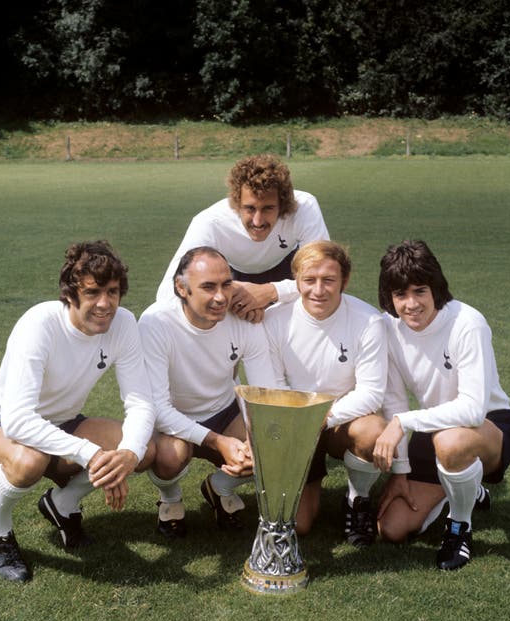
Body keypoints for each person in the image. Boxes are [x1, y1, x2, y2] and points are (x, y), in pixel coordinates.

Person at [0, 240, 156, 583]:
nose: (105, 303)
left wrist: (127, 454)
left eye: (113, 292)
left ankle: (63, 504)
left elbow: (141, 402)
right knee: (29, 461)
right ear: (70, 294)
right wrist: (91, 454)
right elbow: (18, 420)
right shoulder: (39, 323)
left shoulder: (124, 324)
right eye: (94, 292)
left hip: (64, 425)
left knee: (145, 449)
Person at [374, 239, 510, 570]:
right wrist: (400, 470)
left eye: (419, 291)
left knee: (451, 441)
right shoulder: (389, 329)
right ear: (390, 297)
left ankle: (460, 525)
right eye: (401, 295)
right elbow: (395, 399)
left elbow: (471, 410)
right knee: (391, 528)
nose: (411, 304)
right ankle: (466, 489)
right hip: (435, 427)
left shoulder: (467, 322)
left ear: (435, 288)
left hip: (491, 425)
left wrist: (403, 422)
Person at [139, 246, 279, 538]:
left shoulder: (243, 318)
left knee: (272, 445)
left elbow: (263, 392)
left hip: (224, 411)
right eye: (208, 287)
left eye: (226, 284)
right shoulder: (156, 322)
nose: (220, 297)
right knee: (168, 457)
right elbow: (158, 408)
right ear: (181, 288)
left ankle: (219, 487)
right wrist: (219, 443)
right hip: (173, 420)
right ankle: (170, 499)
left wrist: (255, 440)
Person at [264, 241, 391, 543]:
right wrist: (302, 421)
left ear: (344, 281)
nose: (318, 290)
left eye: (329, 280)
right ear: (296, 281)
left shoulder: (368, 320)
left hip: (340, 422)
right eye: (309, 280)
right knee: (301, 525)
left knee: (373, 431)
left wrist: (323, 417)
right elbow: (273, 385)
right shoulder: (273, 320)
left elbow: (371, 392)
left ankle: (357, 499)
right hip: (294, 424)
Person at [155, 154, 329, 323]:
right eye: (250, 208)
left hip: (289, 269)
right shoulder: (210, 222)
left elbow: (324, 275)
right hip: (233, 277)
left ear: (283, 205)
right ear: (236, 203)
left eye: (268, 208)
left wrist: (271, 291)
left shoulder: (304, 207)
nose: (258, 221)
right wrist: (229, 295)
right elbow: (168, 291)